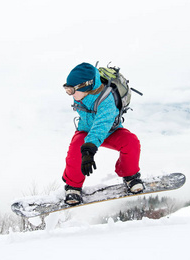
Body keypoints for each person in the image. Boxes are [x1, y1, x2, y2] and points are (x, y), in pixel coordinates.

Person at [62, 62, 144, 205]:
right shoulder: (80, 93)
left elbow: (102, 125)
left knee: (131, 142)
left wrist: (89, 149)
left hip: (110, 131)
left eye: (71, 90)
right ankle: (73, 187)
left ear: (86, 86)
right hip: (86, 131)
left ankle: (130, 175)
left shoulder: (107, 99)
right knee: (76, 146)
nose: (70, 94)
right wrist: (86, 147)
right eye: (67, 90)